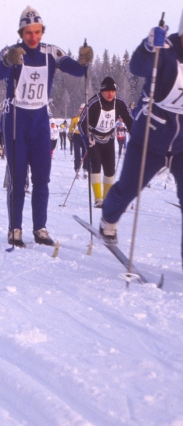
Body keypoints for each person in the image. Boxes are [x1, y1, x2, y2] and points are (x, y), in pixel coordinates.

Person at [0, 6, 91, 246]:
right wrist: (8, 60)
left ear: (42, 31)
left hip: (39, 122)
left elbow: (76, 70)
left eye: (37, 32)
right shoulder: (12, 51)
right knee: (18, 178)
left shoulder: (51, 52)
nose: (33, 37)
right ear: (21, 33)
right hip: (16, 121)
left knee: (42, 178)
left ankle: (40, 228)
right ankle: (14, 228)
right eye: (28, 32)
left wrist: (84, 61)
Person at [100, 13, 183, 264]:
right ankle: (109, 220)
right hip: (150, 139)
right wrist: (148, 48)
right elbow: (137, 67)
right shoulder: (165, 50)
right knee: (127, 189)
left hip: (181, 147)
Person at [78, 76, 133, 207]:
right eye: (107, 91)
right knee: (96, 166)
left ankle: (107, 199)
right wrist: (86, 137)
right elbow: (81, 123)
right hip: (94, 138)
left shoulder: (119, 103)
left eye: (113, 91)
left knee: (110, 169)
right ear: (102, 91)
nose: (110, 94)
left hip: (109, 137)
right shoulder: (94, 103)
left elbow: (129, 120)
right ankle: (98, 199)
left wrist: (135, 135)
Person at [70, 104, 88, 179]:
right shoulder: (75, 118)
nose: (82, 111)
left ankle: (85, 169)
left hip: (84, 136)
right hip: (77, 136)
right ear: (79, 110)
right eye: (81, 110)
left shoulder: (88, 118)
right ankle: (77, 169)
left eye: (83, 110)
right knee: (77, 153)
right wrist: (70, 133)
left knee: (86, 153)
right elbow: (71, 127)